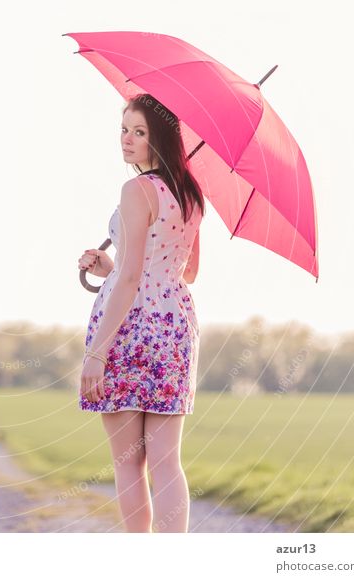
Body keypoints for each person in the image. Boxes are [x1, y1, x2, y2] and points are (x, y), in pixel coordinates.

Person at [77, 93, 205, 533]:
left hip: (130, 331)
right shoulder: (190, 193)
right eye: (124, 129)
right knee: (167, 464)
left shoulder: (135, 189)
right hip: (174, 328)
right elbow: (186, 270)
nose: (127, 140)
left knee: (129, 465)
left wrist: (96, 354)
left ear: (160, 139)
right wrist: (108, 268)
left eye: (139, 132)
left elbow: (132, 280)